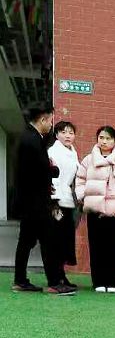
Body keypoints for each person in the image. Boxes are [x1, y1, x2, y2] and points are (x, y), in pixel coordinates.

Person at [12, 104, 73, 295]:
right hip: (36, 203)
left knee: (26, 241)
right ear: (43, 119)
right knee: (48, 242)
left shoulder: (29, 137)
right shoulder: (32, 140)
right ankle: (54, 282)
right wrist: (53, 170)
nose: (51, 124)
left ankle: (20, 280)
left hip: (31, 201)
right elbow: (40, 169)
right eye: (51, 120)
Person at [75, 126, 115, 292]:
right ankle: (98, 281)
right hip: (95, 211)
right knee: (96, 246)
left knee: (113, 247)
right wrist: (84, 198)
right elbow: (79, 180)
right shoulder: (88, 161)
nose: (104, 141)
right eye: (101, 137)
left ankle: (113, 282)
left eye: (108, 138)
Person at [47, 120, 81, 288]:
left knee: (66, 240)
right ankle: (55, 277)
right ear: (57, 134)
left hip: (68, 200)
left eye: (71, 132)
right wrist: (53, 202)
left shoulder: (73, 153)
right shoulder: (52, 152)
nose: (68, 136)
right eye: (64, 132)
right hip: (56, 200)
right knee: (56, 240)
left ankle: (62, 275)